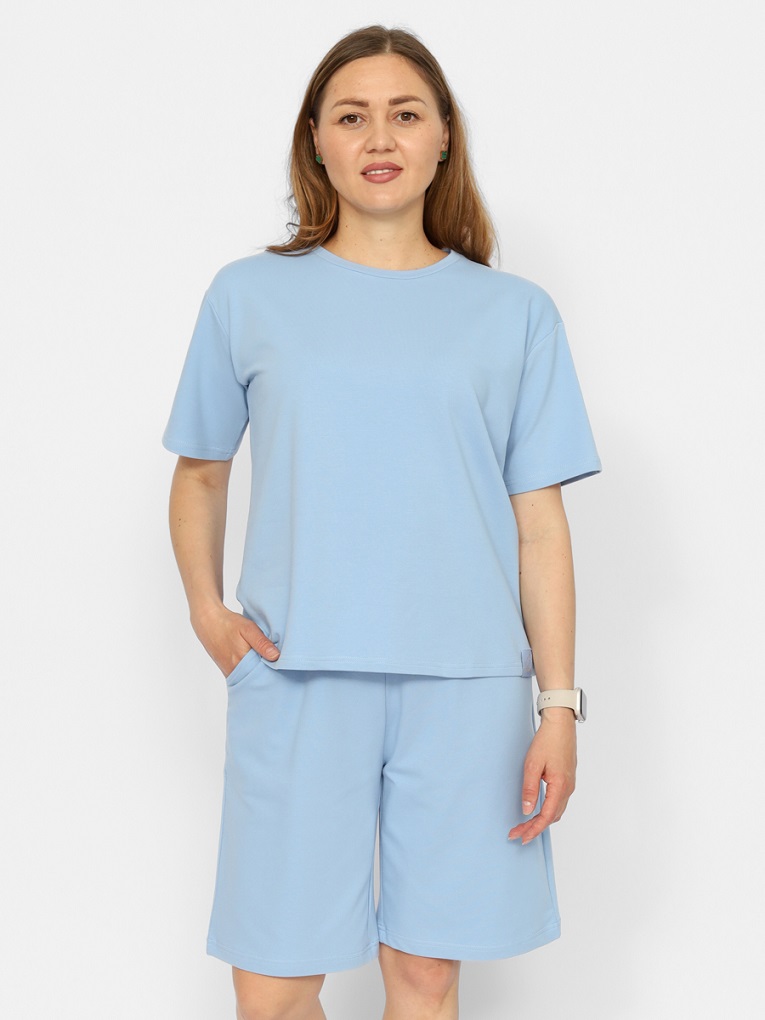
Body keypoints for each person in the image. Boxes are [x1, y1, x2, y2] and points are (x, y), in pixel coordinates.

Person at [162, 23, 601, 1020]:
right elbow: (200, 473)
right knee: (273, 989)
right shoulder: (248, 295)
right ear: (315, 141)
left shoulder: (515, 314)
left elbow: (540, 525)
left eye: (405, 114)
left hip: (467, 688)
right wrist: (206, 611)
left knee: (425, 976)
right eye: (351, 116)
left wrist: (558, 705)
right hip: (296, 673)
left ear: (444, 136)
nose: (379, 137)